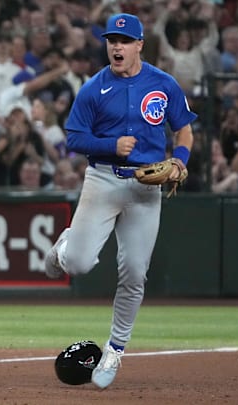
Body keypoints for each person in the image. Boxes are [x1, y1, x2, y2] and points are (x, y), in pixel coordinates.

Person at [43, 13, 197, 390]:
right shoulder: (94, 88)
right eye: (112, 40)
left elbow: (184, 130)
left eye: (125, 41)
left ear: (140, 45)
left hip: (146, 188)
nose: (117, 46)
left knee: (134, 273)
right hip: (103, 178)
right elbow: (74, 137)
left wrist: (179, 159)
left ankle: (115, 350)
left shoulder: (163, 84)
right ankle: (66, 245)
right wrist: (110, 145)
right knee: (78, 263)